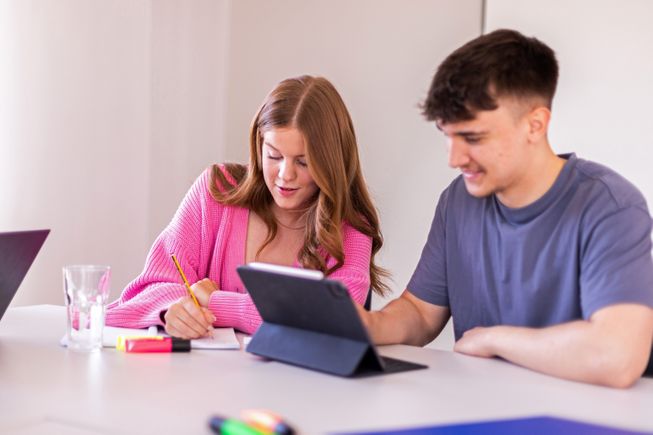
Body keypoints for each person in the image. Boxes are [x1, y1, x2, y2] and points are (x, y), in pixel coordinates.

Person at [356, 29, 653, 388]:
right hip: (483, 405)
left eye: (473, 137)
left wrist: (494, 339)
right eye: (448, 136)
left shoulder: (610, 207)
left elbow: (617, 356)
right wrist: (366, 325)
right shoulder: (457, 201)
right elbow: (420, 313)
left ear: (535, 125)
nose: (454, 158)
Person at [106, 75, 389, 338]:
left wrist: (214, 301)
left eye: (303, 162)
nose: (285, 174)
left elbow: (333, 323)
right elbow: (148, 288)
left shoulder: (351, 227)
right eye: (274, 156)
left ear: (331, 163)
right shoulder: (216, 191)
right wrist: (173, 310)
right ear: (259, 145)